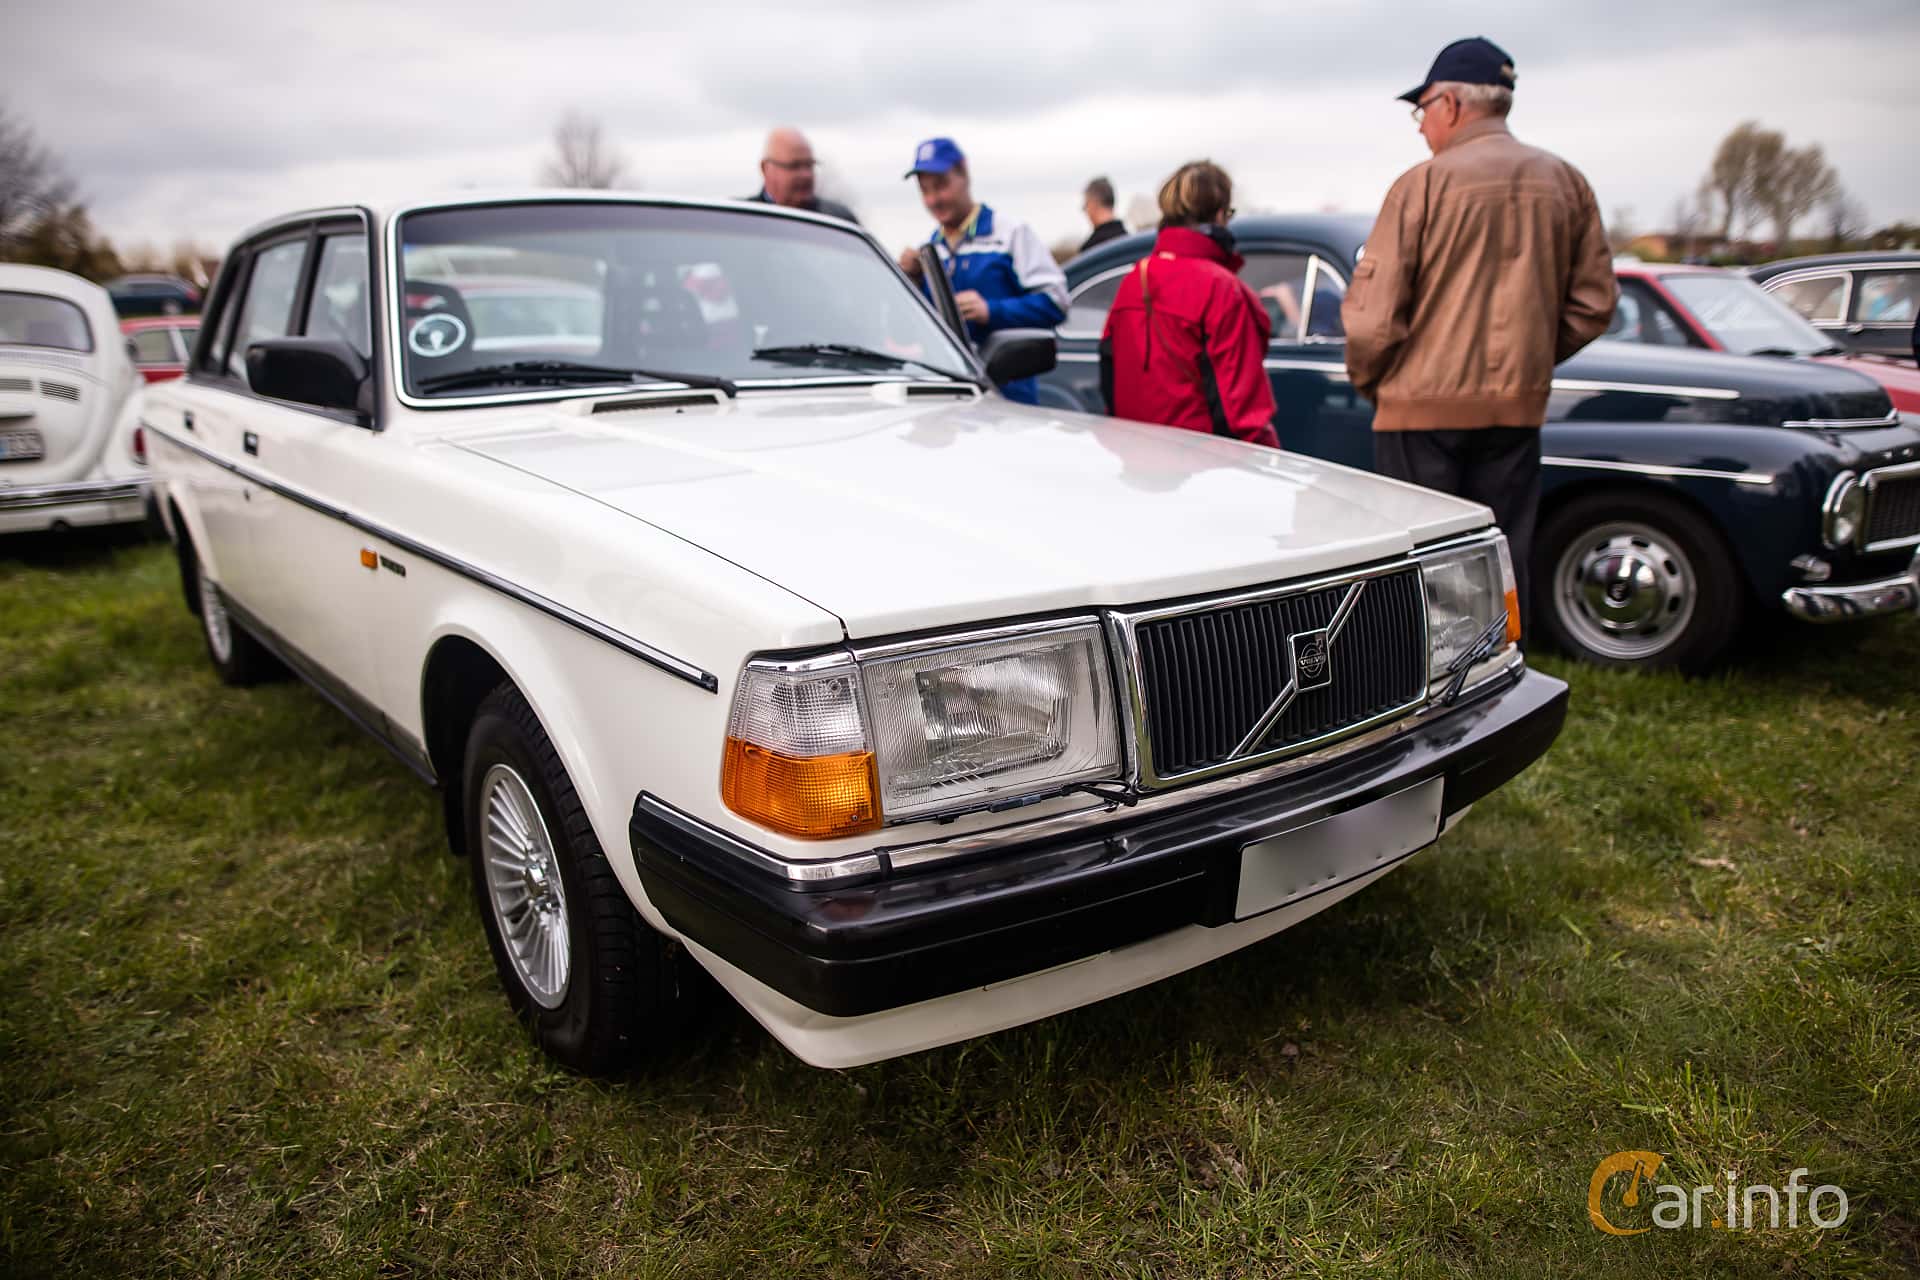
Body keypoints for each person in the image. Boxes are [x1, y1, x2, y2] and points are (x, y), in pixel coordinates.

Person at [1343, 36, 1614, 626]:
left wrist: (1374, 380)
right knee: (1501, 556)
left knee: (1421, 564)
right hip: (1513, 412)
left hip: (1419, 412)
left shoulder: (1421, 186)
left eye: (1422, 112)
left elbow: (1373, 317)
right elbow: (1594, 304)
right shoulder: (1567, 182)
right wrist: (1528, 360)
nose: (1420, 127)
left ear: (1451, 104)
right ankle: (1497, 667)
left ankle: (1422, 688)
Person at [1098, 160, 1278, 447]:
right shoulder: (1222, 289)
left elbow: (1110, 380)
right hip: (1204, 468)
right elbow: (1242, 414)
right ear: (1220, 215)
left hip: (1138, 462)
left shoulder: (1134, 280)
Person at [897, 137, 1068, 404]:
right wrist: (913, 282)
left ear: (963, 174)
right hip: (947, 405)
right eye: (925, 190)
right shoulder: (929, 250)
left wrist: (991, 311)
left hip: (1010, 403)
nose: (933, 199)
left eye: (940, 186)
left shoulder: (1010, 233)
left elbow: (1057, 302)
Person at [744, 127, 858, 224]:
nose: (806, 175)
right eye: (795, 166)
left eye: (809, 165)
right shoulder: (743, 220)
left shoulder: (838, 221)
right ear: (766, 168)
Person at [1079, 177, 1128, 254]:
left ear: (1093, 204)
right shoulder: (1130, 242)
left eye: (1086, 205)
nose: (1084, 210)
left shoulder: (1091, 249)